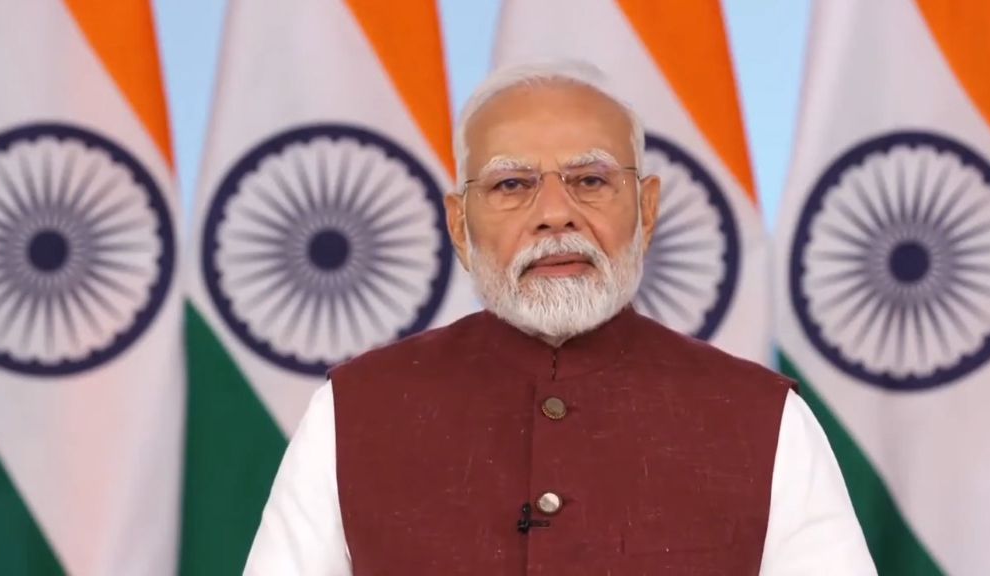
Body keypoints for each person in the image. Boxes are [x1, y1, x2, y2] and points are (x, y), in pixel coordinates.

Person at [243, 61, 876, 575]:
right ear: (459, 226)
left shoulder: (764, 419)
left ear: (647, 210)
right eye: (512, 185)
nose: (555, 214)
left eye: (591, 181)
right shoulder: (354, 411)